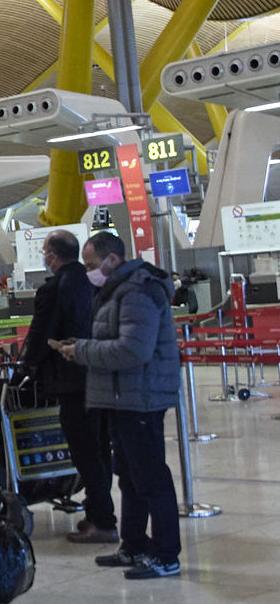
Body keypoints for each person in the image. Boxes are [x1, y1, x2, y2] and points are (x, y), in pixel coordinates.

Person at [57, 233, 183, 580]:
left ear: (113, 259)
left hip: (140, 398)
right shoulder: (114, 291)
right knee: (128, 476)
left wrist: (80, 351)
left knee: (151, 477)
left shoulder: (137, 291)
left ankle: (166, 554)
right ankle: (134, 544)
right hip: (122, 397)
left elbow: (133, 350)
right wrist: (81, 345)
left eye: (92, 264)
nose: (88, 271)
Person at [21, 231, 116, 544]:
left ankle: (102, 520)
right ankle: (98, 512)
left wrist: (26, 366)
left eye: (45, 251)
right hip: (101, 373)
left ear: (52, 255)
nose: (44, 256)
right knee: (100, 448)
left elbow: (40, 334)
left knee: (84, 451)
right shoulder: (96, 284)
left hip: (70, 378)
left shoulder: (55, 288)